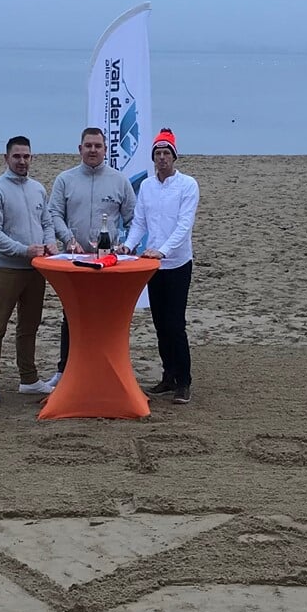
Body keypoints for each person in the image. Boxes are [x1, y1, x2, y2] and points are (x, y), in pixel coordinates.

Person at [41, 126, 137, 387]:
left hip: (109, 264)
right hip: (75, 260)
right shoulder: (65, 180)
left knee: (106, 315)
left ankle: (105, 370)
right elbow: (54, 214)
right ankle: (65, 369)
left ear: (106, 150)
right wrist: (68, 240)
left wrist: (125, 246)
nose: (93, 150)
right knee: (72, 314)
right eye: (88, 145)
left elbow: (133, 219)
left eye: (98, 146)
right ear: (80, 149)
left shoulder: (119, 181)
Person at [122, 128, 199, 404]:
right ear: (153, 158)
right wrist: (129, 246)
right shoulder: (147, 186)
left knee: (175, 324)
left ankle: (184, 381)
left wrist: (163, 251)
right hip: (153, 266)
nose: (162, 158)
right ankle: (168, 375)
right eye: (158, 153)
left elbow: (183, 226)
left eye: (167, 153)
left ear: (174, 157)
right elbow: (139, 222)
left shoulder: (188, 185)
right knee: (159, 323)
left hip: (177, 263)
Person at [0, 135, 55, 405]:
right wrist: (23, 250)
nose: (22, 161)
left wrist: (49, 244)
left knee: (29, 326)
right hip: (7, 269)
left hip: (35, 269)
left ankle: (29, 379)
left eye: (26, 156)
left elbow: (46, 221)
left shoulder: (37, 189)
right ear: (6, 158)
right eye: (17, 156)